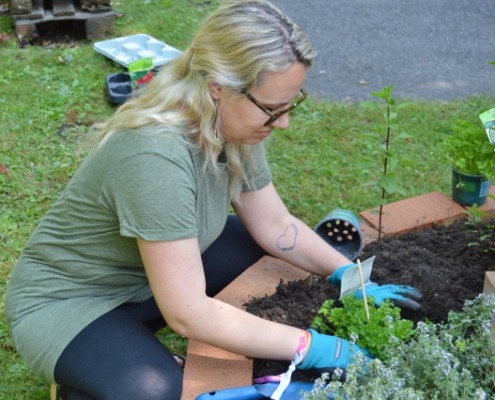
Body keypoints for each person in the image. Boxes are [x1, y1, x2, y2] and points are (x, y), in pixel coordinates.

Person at [5, 1, 422, 399]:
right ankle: (83, 385)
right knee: (154, 388)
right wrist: (315, 347)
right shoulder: (153, 157)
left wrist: (352, 278)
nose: (284, 122)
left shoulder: (232, 124)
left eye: (290, 104)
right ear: (217, 87)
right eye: (273, 108)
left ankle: (129, 345)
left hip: (146, 279)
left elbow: (275, 225)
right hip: (71, 304)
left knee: (263, 252)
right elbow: (187, 313)